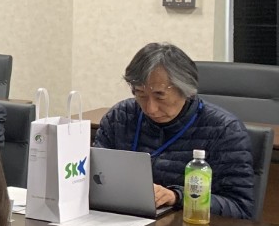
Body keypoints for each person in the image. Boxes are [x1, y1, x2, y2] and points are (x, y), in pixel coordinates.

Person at [93, 42, 254, 217]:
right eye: (141, 94)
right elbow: (95, 179)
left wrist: (177, 197)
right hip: (121, 220)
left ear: (186, 90)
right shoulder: (120, 117)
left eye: (160, 96)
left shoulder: (225, 130)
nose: (150, 108)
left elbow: (240, 208)